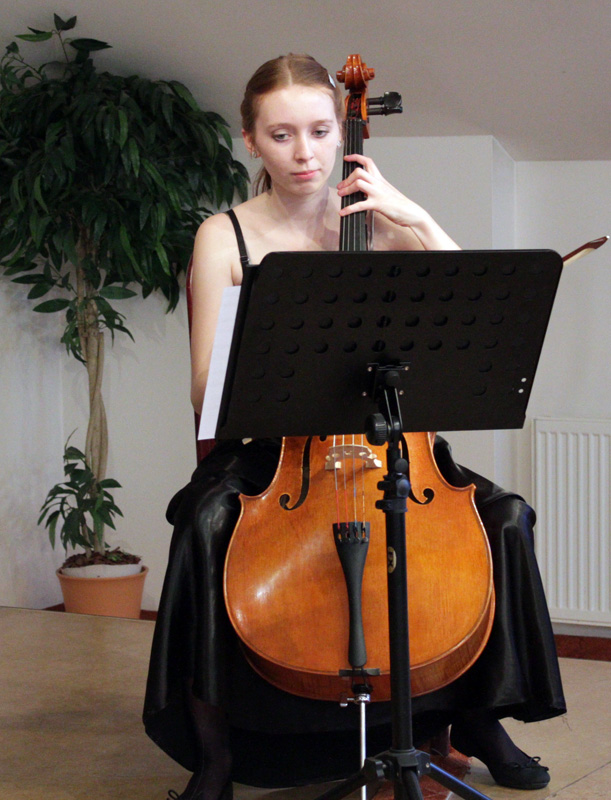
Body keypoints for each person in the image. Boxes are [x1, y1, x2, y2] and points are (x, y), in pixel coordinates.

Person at [144, 54, 565, 800]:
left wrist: (417, 219)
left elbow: (479, 318)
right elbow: (205, 390)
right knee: (205, 526)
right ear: (251, 140)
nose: (302, 153)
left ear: (343, 130)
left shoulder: (381, 224)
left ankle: (476, 718)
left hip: (387, 443)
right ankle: (216, 753)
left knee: (505, 518)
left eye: (318, 131)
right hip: (275, 454)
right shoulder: (224, 236)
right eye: (280, 135)